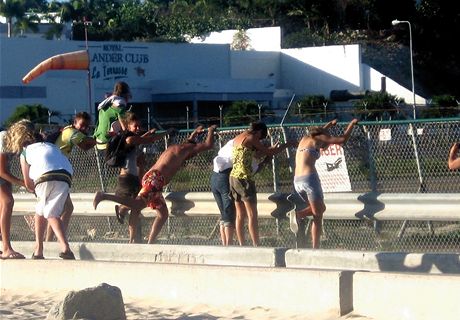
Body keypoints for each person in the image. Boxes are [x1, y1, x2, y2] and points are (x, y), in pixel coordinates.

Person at [93, 125, 217, 244]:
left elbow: (189, 142)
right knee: (138, 204)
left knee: (163, 214)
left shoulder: (177, 148)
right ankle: (104, 196)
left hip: (153, 179)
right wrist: (211, 130)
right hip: (155, 180)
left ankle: (150, 243)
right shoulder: (186, 150)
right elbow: (208, 144)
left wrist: (195, 133)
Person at [6, 119, 75, 259]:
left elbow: (27, 182)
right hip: (66, 175)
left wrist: (32, 189)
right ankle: (42, 248)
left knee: (48, 213)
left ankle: (56, 247)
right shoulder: (51, 145)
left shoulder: (26, 152)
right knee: (48, 210)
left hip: (44, 175)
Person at [289, 118, 358, 249]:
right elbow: (342, 140)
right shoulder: (318, 139)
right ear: (322, 136)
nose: (325, 144)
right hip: (310, 179)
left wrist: (330, 125)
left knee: (320, 209)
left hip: (297, 181)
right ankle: (314, 245)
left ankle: (299, 215)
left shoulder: (305, 139)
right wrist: (351, 124)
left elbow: (322, 131)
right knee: (318, 215)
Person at [230, 122, 294, 247]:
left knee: (239, 214)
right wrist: (287, 145)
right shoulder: (252, 138)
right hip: (244, 178)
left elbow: (257, 154)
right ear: (258, 132)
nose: (260, 139)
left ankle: (242, 244)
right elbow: (268, 153)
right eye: (261, 136)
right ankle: (256, 245)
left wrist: (269, 150)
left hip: (233, 178)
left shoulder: (239, 138)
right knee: (252, 214)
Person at [112, 111, 172, 243]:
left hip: (133, 179)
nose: (138, 128)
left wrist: (147, 134)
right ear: (128, 127)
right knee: (135, 205)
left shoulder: (132, 139)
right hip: (127, 179)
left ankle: (132, 240)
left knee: (136, 208)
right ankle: (121, 208)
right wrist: (166, 133)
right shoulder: (129, 139)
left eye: (139, 126)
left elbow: (142, 140)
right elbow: (148, 140)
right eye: (135, 126)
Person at [45, 111, 97, 241]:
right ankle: (57, 239)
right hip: (56, 172)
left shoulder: (69, 132)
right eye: (82, 125)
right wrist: (101, 138)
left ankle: (52, 239)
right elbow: (85, 146)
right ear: (74, 123)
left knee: (59, 209)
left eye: (87, 126)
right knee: (64, 208)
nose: (84, 128)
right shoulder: (71, 132)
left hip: (54, 171)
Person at [211, 138, 271, 246]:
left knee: (225, 214)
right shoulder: (246, 152)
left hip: (215, 176)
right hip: (227, 176)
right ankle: (232, 245)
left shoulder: (234, 141)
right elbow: (253, 169)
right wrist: (266, 160)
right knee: (234, 214)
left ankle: (229, 245)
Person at [0, 126, 28, 259]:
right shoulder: (4, 138)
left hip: (2, 175)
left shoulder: (17, 145)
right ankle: (6, 248)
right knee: (7, 202)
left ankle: (5, 246)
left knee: (4, 205)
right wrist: (23, 183)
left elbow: (5, 169)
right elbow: (1, 171)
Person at [93, 81, 131, 151]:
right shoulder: (120, 106)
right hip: (107, 142)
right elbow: (124, 129)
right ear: (126, 95)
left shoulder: (106, 104)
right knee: (133, 146)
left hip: (98, 141)